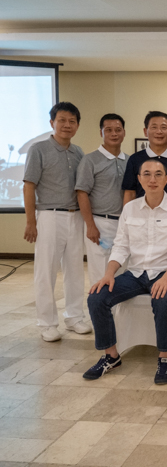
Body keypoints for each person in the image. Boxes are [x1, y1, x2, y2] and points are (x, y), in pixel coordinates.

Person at [83, 159, 167, 384]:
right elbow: (121, 246)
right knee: (97, 297)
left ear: (166, 179)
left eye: (158, 174)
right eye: (147, 174)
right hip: (135, 273)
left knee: (161, 297)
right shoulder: (130, 209)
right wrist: (109, 273)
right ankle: (110, 355)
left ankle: (165, 359)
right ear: (139, 179)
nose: (153, 179)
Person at [23, 102, 90, 342]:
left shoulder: (78, 152)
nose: (67, 125)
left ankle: (74, 317)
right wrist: (31, 221)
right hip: (49, 215)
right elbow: (29, 186)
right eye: (62, 120)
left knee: (74, 269)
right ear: (52, 123)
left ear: (77, 125)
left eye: (72, 121)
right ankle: (47, 322)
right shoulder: (38, 149)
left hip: (75, 216)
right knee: (46, 270)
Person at [75, 113, 128, 285]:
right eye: (109, 130)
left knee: (122, 271)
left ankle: (118, 313)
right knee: (100, 273)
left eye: (118, 130)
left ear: (124, 132)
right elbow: (81, 193)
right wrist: (90, 225)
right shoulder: (90, 160)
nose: (114, 134)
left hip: (124, 224)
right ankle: (98, 311)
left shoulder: (129, 160)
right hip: (100, 223)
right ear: (101, 133)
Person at [122, 111, 167, 203]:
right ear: (145, 132)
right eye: (154, 127)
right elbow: (130, 192)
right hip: (142, 215)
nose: (159, 131)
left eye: (163, 127)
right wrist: (128, 216)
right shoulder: (135, 159)